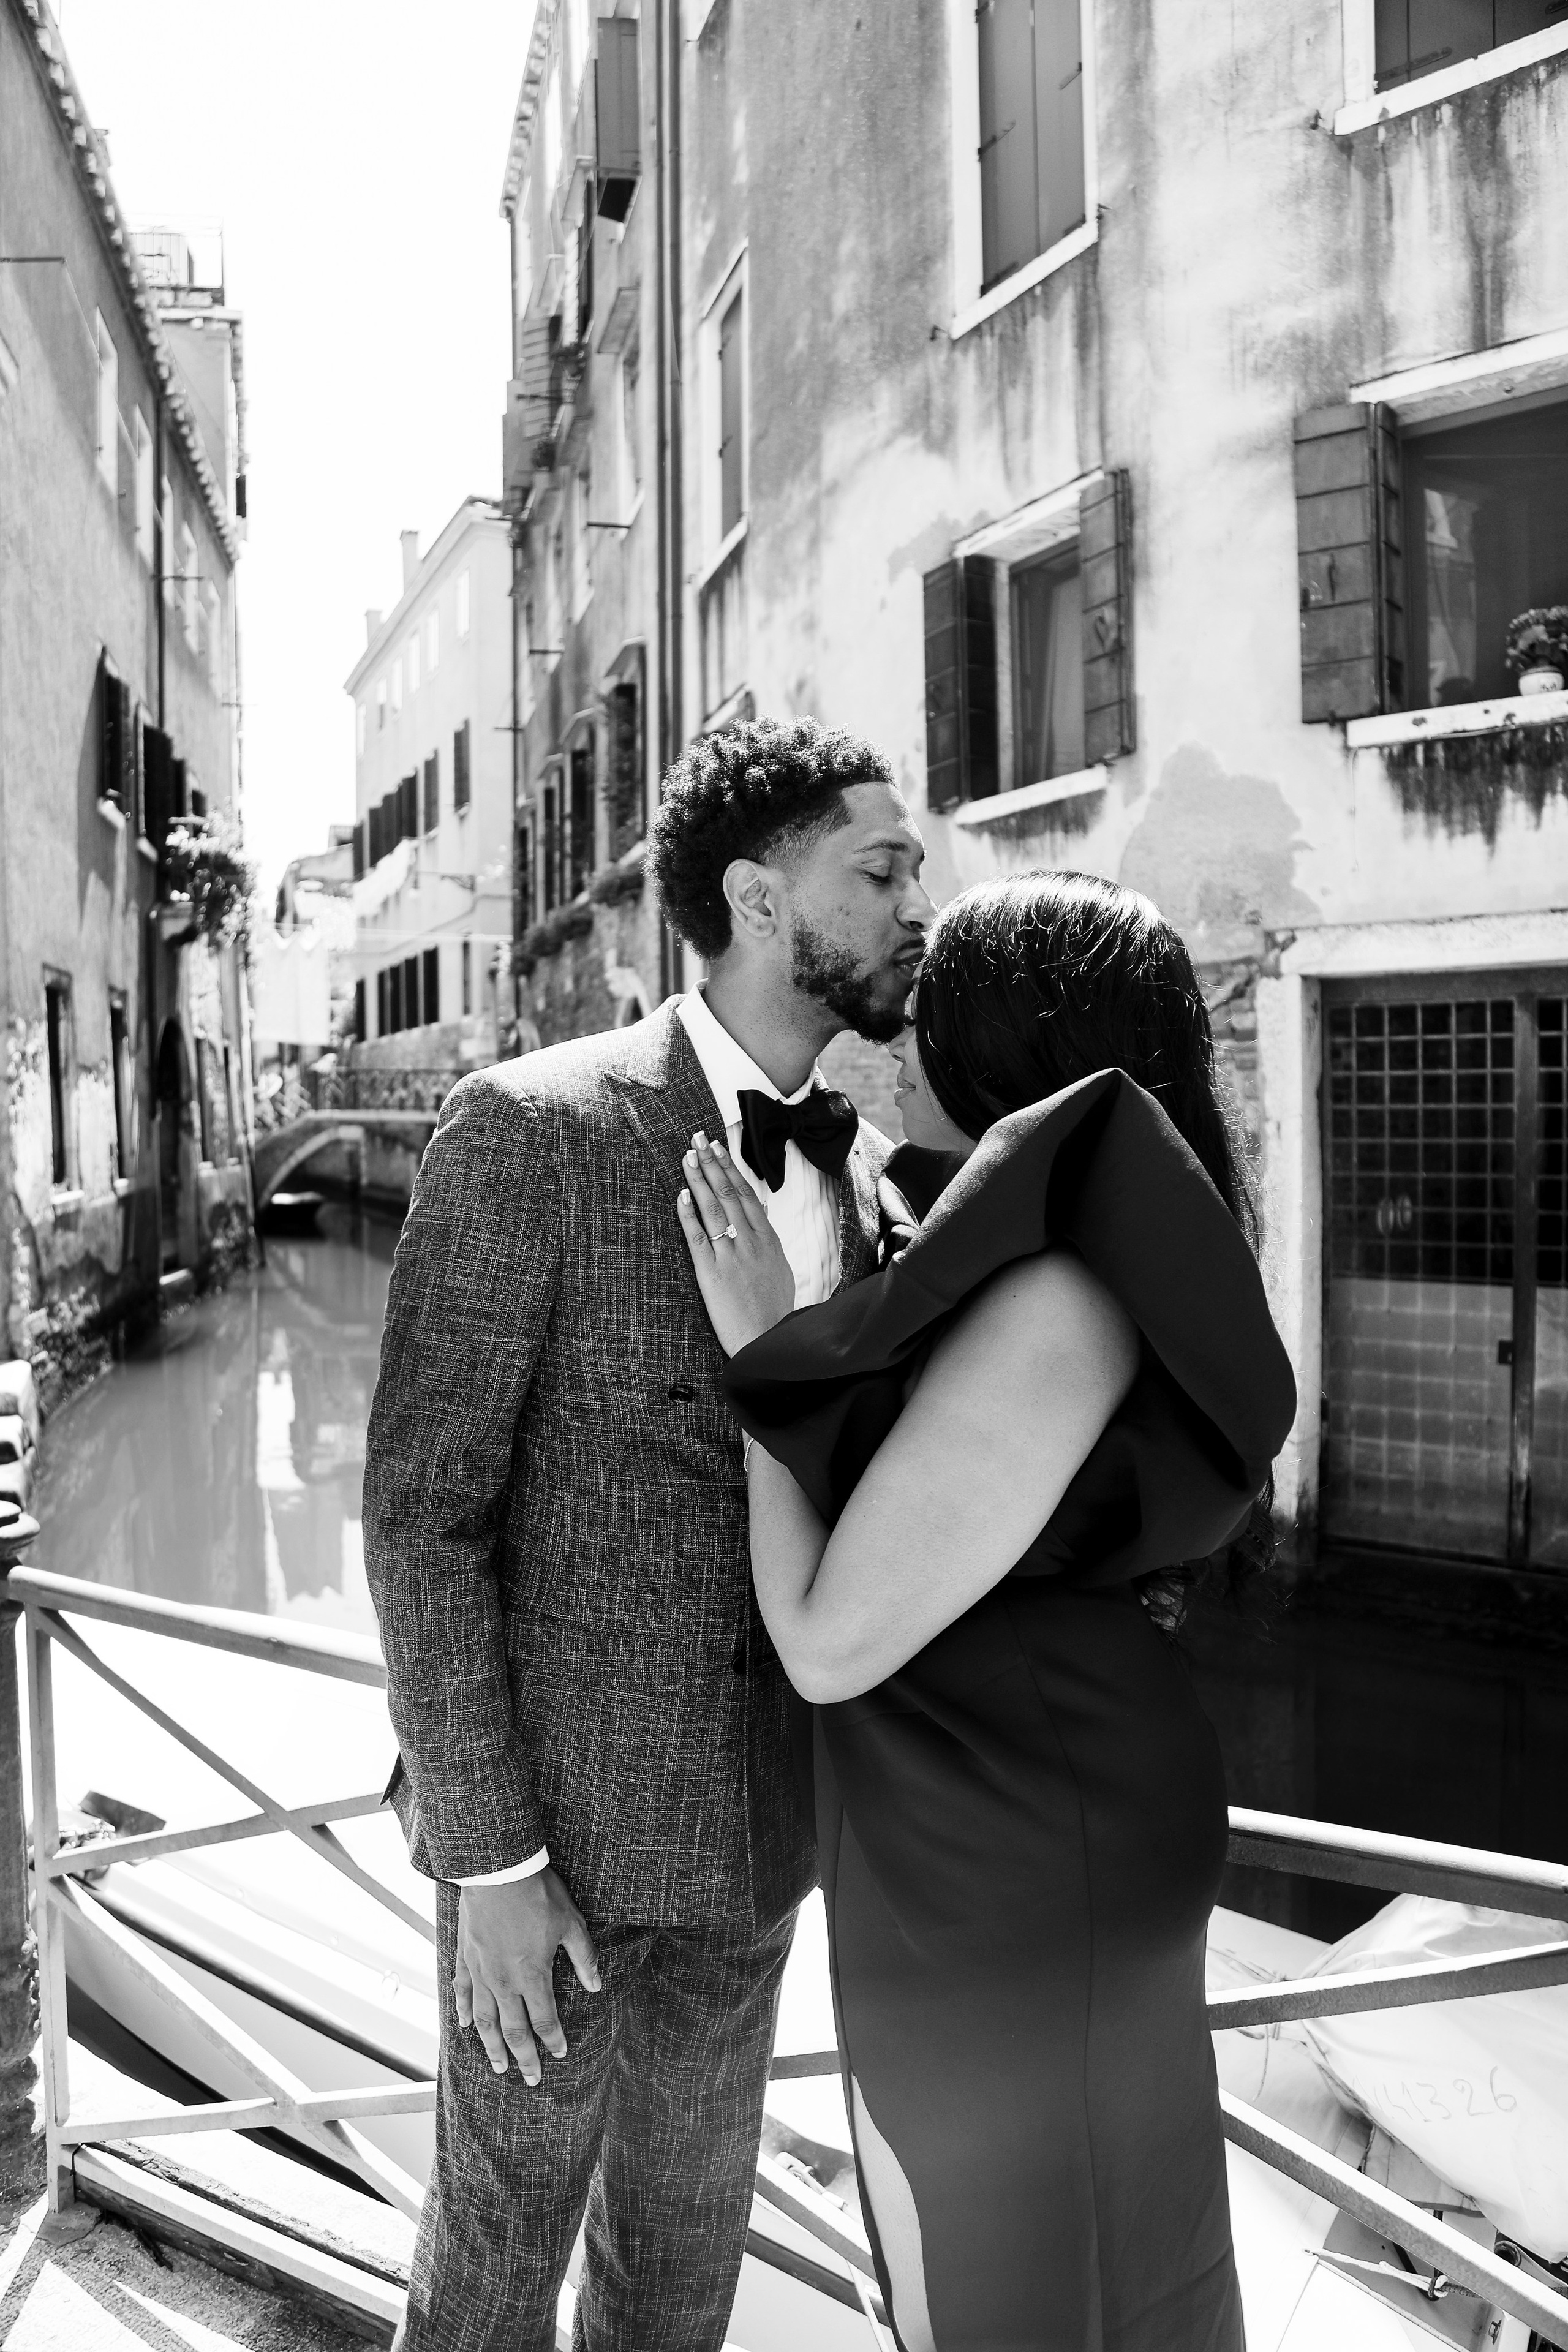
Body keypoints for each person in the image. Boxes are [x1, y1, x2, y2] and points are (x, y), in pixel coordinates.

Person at [363, 715, 933, 2351]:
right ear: (763, 901)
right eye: (880, 868)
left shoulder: (875, 1178)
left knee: (677, 2291)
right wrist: (494, 1863)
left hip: (759, 1867)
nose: (914, 904)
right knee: (490, 2273)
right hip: (557, 1867)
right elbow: (421, 1521)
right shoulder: (530, 1128)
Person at [675, 870, 1297, 2352]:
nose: (893, 1043)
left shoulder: (1056, 1301)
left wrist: (768, 1356)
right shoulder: (1055, 1256)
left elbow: (826, 1642)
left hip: (1013, 1847)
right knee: (1091, 2249)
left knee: (1007, 2275)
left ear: (1004, 1047)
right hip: (1022, 1807)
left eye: (930, 1012)